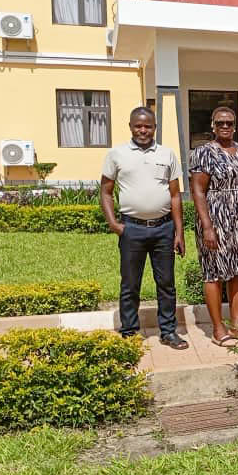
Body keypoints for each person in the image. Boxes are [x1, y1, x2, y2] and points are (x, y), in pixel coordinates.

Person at [99, 106, 187, 349]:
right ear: (130, 127)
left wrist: (179, 233)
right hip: (132, 229)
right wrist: (115, 225)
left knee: (166, 283)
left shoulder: (167, 154)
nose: (143, 130)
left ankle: (169, 331)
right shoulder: (116, 154)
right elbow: (105, 192)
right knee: (130, 283)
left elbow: (175, 196)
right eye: (138, 126)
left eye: (148, 126)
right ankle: (129, 332)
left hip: (163, 229)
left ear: (155, 128)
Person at [189, 106, 238, 347]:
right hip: (216, 218)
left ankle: (236, 325)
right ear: (212, 125)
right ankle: (218, 328)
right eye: (220, 123)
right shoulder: (203, 152)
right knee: (214, 272)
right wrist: (207, 226)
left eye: (229, 123)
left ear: (235, 125)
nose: (225, 126)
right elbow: (197, 191)